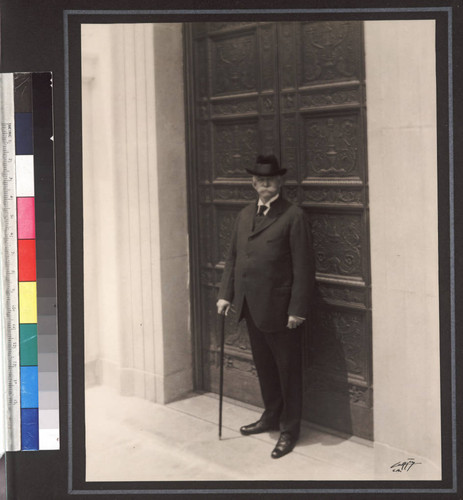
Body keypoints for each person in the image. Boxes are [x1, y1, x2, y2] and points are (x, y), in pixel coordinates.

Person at [216, 154, 315, 459]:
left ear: (280, 182)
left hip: (282, 311)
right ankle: (270, 416)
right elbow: (233, 258)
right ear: (253, 183)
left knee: (288, 373)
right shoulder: (245, 214)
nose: (264, 186)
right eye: (259, 181)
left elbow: (303, 267)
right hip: (251, 307)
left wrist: (297, 309)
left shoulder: (293, 215)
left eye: (270, 181)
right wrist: (226, 294)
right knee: (266, 369)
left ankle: (289, 430)